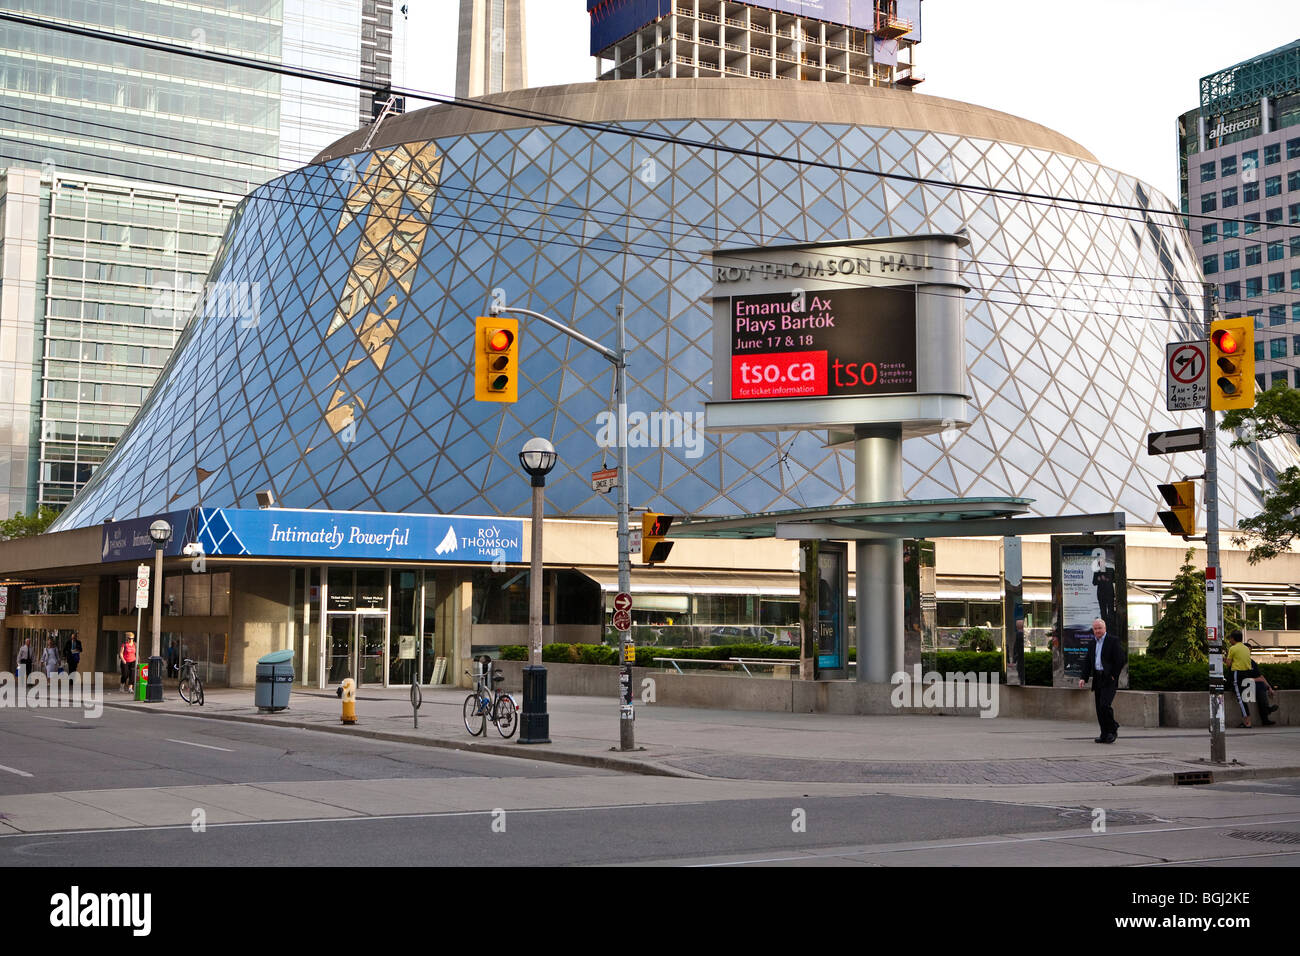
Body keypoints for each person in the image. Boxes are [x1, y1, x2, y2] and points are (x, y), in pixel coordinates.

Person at [1078, 617, 1125, 743]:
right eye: (1095, 628)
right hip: (1097, 678)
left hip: (1109, 678)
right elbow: (1088, 662)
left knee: (1105, 705)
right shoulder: (1092, 643)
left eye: (1100, 628)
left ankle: (1112, 729)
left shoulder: (1112, 641)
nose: (1097, 631)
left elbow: (1121, 659)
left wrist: (1114, 675)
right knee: (1099, 708)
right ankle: (1104, 733)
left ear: (1105, 629)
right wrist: (1083, 677)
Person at [1227, 631, 1275, 727]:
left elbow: (1228, 664)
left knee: (1240, 699)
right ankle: (1248, 720)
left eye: (1230, 638)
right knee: (1244, 698)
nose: (1229, 640)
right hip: (1246, 674)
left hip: (1237, 673)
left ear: (1233, 638)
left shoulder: (1233, 648)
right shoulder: (1246, 649)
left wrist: (1227, 661)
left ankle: (1247, 722)